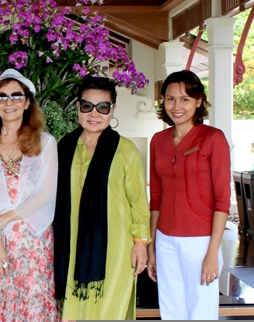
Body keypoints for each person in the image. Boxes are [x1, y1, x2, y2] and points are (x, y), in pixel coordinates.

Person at [53, 76, 151, 320]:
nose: (94, 114)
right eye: (87, 106)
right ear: (78, 107)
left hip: (116, 248)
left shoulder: (125, 150)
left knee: (109, 312)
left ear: (112, 110)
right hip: (71, 246)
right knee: (74, 311)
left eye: (103, 107)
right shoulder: (63, 147)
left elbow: (138, 202)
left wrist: (141, 242)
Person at [0, 69, 59, 321]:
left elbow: (46, 192)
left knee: (31, 307)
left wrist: (6, 218)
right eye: (1, 97)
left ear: (27, 101)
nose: (8, 102)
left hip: (32, 241)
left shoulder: (45, 142)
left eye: (16, 96)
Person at [147, 70, 230, 320]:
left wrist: (212, 253)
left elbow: (222, 200)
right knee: (171, 309)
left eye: (184, 99)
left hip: (200, 239)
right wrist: (151, 246)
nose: (176, 106)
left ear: (198, 101)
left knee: (200, 311)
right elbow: (156, 197)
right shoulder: (158, 140)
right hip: (165, 239)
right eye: (170, 99)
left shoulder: (213, 138)